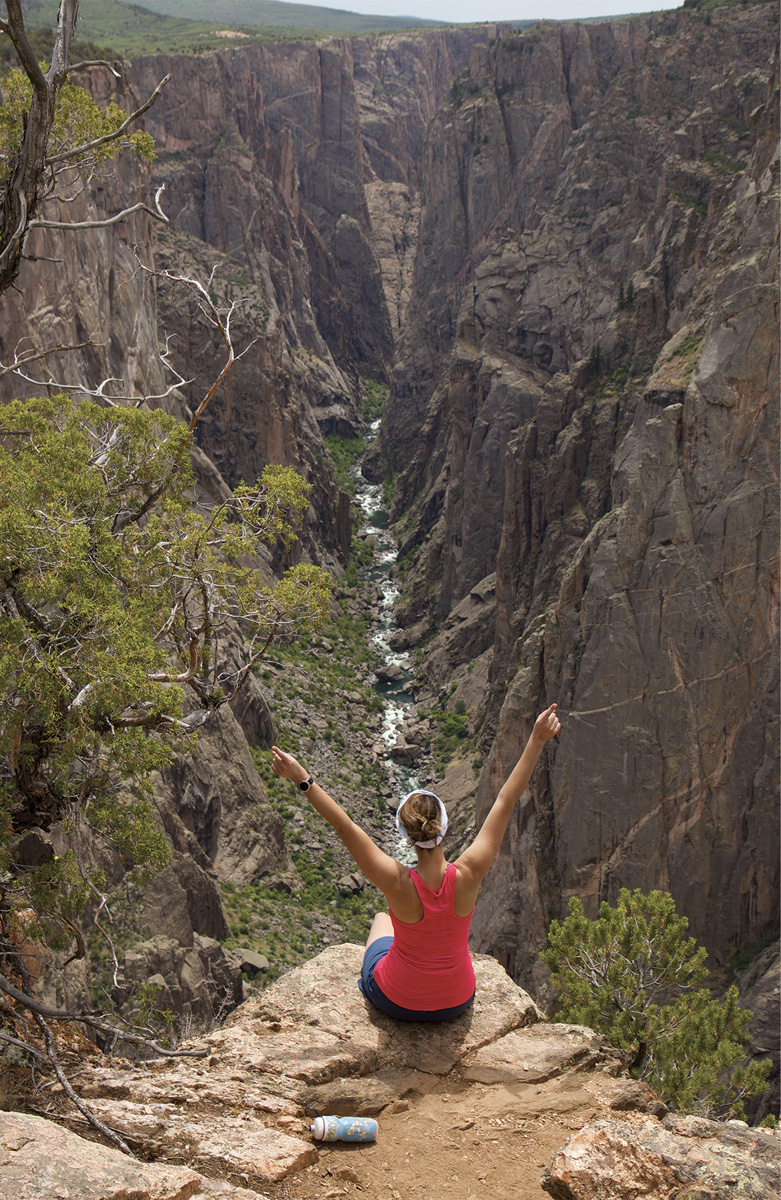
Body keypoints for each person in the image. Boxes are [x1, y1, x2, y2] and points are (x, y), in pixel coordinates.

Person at [271, 702, 560, 1022]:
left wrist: (301, 776)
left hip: (396, 999)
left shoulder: (396, 882)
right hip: (456, 1001)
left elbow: (345, 827)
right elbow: (505, 801)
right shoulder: (469, 873)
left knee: (383, 919)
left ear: (406, 834)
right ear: (444, 827)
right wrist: (536, 739)